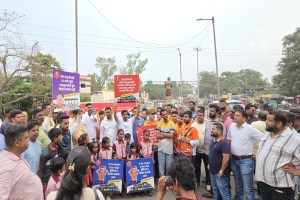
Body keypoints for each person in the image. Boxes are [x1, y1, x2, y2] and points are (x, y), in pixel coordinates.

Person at [256, 111, 300, 200]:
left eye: (269, 120)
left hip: (281, 186)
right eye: (266, 119)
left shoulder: (295, 139)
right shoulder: (267, 133)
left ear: (279, 123)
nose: (266, 122)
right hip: (264, 182)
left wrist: (296, 172)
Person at [0, 125, 43, 200]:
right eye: (26, 138)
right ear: (17, 142)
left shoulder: (17, 156)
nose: (28, 140)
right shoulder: (6, 168)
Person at [227, 109, 262, 200]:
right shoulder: (232, 126)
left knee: (248, 187)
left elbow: (263, 137)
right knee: (238, 186)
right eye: (235, 115)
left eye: (237, 115)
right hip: (234, 159)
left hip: (246, 161)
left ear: (244, 118)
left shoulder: (249, 128)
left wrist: (257, 152)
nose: (235, 116)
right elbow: (229, 140)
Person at [209, 123, 231, 200]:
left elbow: (226, 158)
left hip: (220, 173)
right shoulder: (213, 140)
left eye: (213, 129)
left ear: (219, 131)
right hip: (212, 171)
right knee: (215, 190)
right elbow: (212, 153)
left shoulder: (224, 142)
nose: (211, 131)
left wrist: (221, 171)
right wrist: (209, 164)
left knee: (224, 193)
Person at [38, 128, 63, 193]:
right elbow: (40, 170)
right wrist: (41, 184)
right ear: (55, 139)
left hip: (54, 179)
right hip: (47, 182)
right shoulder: (46, 153)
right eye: (60, 136)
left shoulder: (57, 147)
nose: (62, 137)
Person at [156, 108, 175, 177]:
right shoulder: (159, 123)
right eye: (163, 115)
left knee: (169, 168)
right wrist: (167, 134)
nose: (165, 116)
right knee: (161, 168)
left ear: (168, 114)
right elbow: (157, 136)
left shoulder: (171, 123)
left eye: (166, 114)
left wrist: (162, 133)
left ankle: (168, 184)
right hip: (160, 149)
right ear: (161, 116)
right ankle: (162, 183)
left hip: (169, 150)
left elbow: (172, 135)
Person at [192, 109, 206, 186]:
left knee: (208, 167)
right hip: (196, 150)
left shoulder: (207, 124)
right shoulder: (193, 125)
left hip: (206, 150)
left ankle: (208, 183)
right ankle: (197, 181)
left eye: (201, 115)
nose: (199, 116)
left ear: (204, 116)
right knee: (197, 167)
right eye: (198, 115)